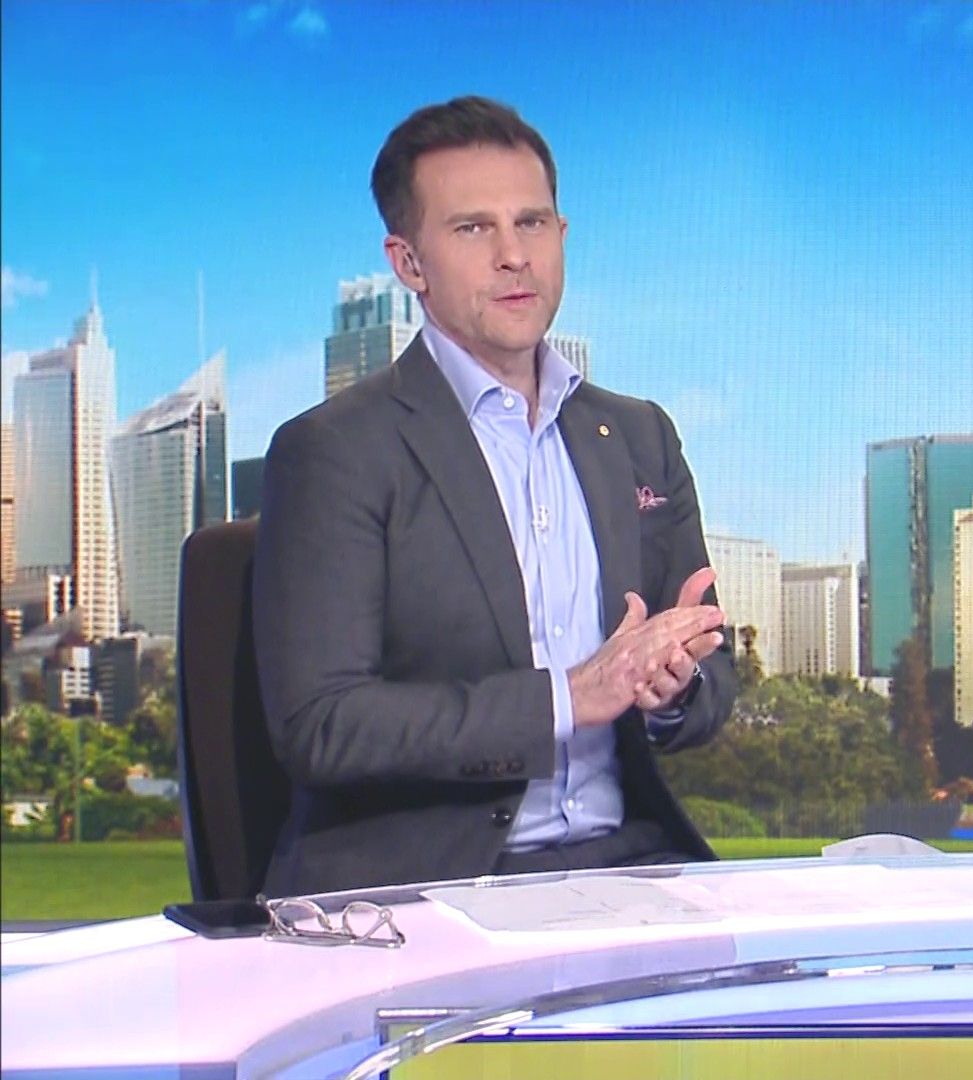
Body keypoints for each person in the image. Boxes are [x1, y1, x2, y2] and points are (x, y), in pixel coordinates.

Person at [254, 96, 736, 896]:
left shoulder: (639, 435)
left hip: (632, 870)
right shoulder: (335, 451)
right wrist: (567, 699)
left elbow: (716, 675)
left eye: (532, 223)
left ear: (562, 235)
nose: (514, 256)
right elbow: (323, 727)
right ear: (409, 264)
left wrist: (673, 691)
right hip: (427, 889)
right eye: (474, 229)